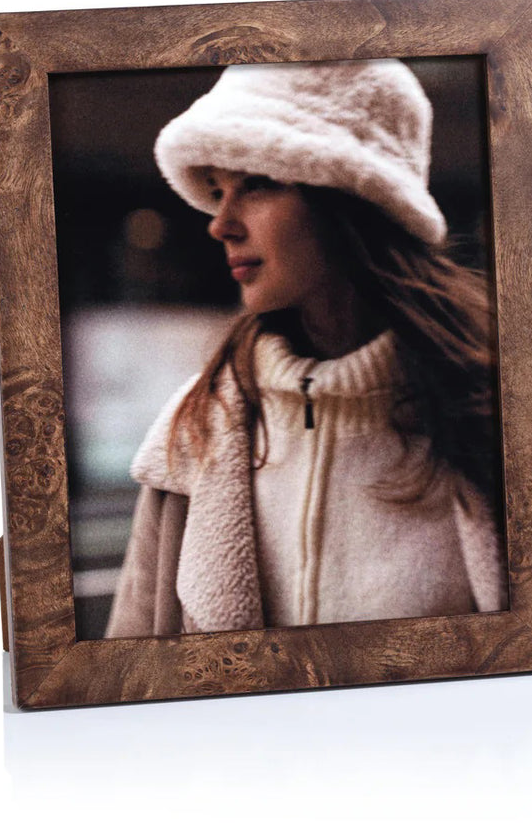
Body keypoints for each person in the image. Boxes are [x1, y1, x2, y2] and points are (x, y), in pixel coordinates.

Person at [104, 58, 508, 638]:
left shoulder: (495, 419)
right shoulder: (193, 430)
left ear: (353, 196)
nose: (220, 223)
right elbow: (132, 665)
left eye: (257, 183)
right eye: (218, 191)